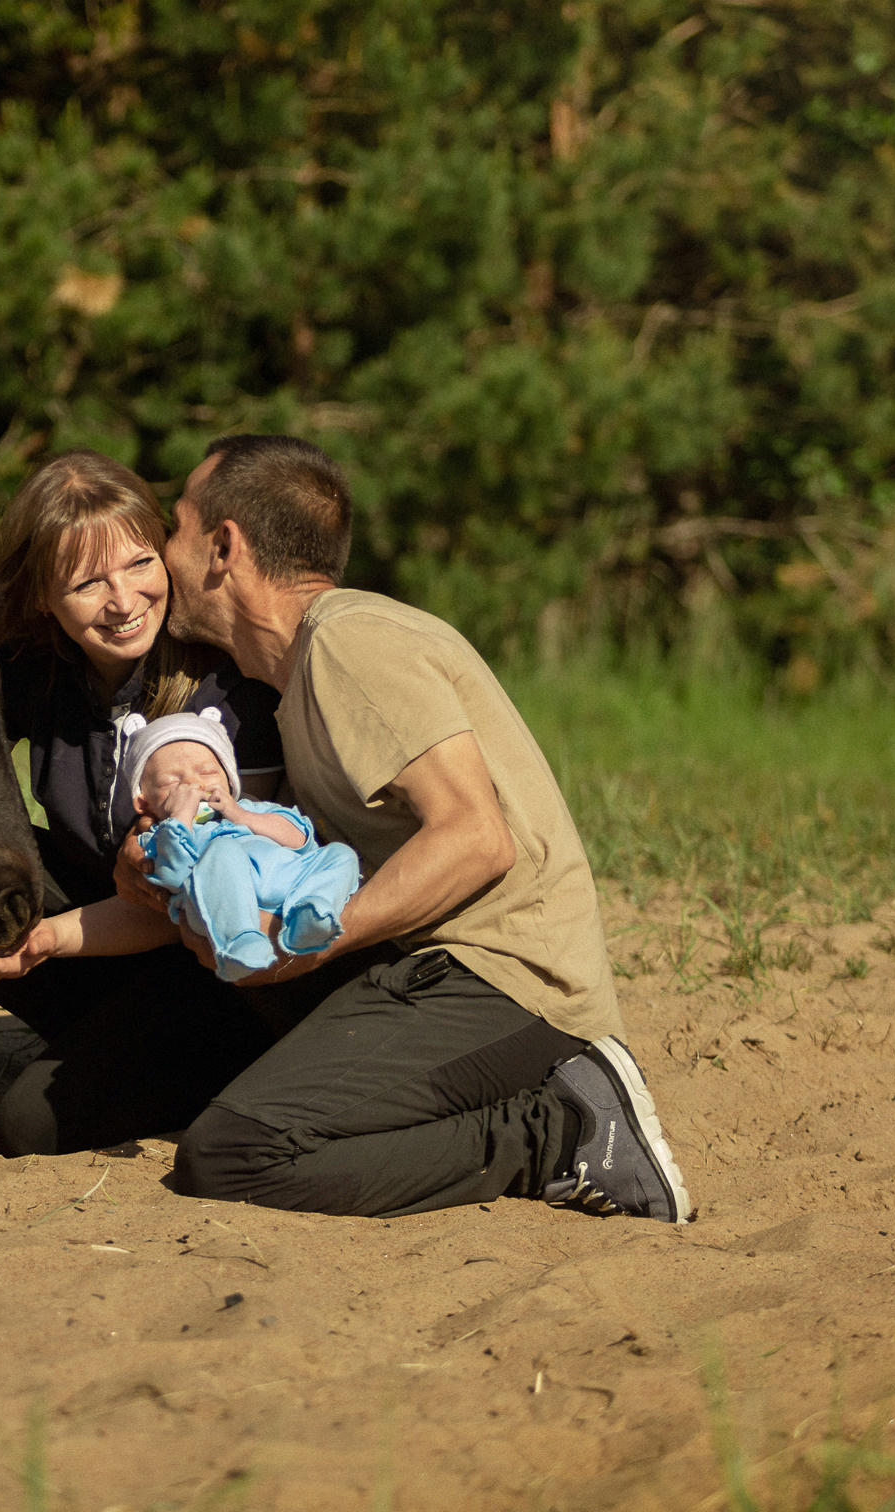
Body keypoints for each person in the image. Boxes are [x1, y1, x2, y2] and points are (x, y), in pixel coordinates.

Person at [130, 433, 692, 1222]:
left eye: (176, 525)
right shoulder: (302, 674)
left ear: (223, 548)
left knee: (233, 1150)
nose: (162, 549)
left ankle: (559, 1131)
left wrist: (301, 943)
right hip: (430, 966)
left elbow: (475, 838)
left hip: (510, 982)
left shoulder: (349, 642)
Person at [0, 451, 302, 1157]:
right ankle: (103, 1037)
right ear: (42, 596)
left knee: (26, 1125)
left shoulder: (226, 682)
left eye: (138, 564)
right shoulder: (33, 668)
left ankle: (199, 1064)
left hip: (208, 965)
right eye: (86, 582)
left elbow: (203, 904)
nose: (124, 600)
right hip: (103, 933)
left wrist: (49, 938)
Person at [115, 710, 359, 983]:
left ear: (230, 781)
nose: (193, 783)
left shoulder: (250, 809)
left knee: (341, 854)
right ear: (144, 803)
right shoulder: (158, 835)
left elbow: (301, 841)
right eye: (171, 781)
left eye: (207, 772)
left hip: (288, 880)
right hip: (220, 904)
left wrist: (241, 815)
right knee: (222, 850)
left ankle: (312, 914)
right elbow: (171, 876)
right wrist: (181, 817)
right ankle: (239, 944)